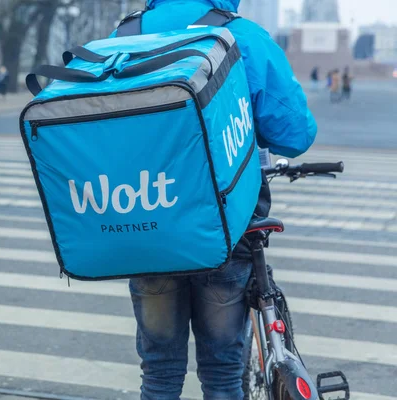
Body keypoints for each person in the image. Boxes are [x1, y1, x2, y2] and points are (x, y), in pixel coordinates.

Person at [114, 1, 316, 399]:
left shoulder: (125, 35)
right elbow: (295, 134)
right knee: (223, 372)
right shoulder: (242, 36)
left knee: (158, 372)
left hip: (148, 220)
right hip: (226, 227)